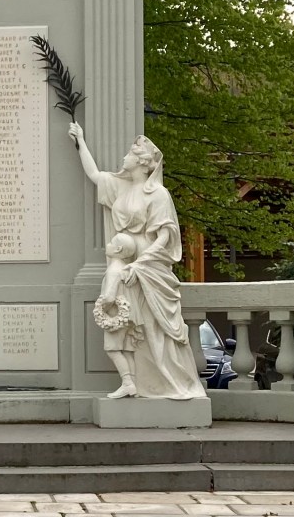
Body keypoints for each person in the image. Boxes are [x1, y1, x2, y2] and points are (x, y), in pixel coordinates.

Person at [68, 122, 206, 400]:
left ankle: (164, 382)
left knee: (151, 329)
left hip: (147, 265)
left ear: (142, 163)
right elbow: (94, 175)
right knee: (126, 327)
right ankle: (130, 382)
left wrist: (140, 264)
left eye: (130, 153)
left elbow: (164, 237)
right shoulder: (120, 187)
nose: (125, 157)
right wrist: (80, 141)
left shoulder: (157, 194)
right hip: (123, 259)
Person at [94, 232, 144, 398]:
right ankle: (134, 386)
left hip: (117, 315)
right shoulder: (125, 268)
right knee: (128, 350)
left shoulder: (113, 270)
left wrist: (102, 309)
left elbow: (109, 297)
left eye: (111, 243)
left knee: (113, 349)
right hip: (130, 315)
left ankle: (127, 383)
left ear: (118, 249)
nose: (108, 245)